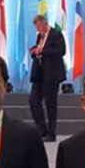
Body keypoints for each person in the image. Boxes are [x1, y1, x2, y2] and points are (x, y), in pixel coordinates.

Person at [28, 14, 66, 142]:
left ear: (45, 24)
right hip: (39, 74)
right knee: (33, 101)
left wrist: (43, 51)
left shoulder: (56, 34)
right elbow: (39, 50)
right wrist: (34, 52)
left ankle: (51, 133)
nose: (38, 30)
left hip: (52, 75)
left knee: (50, 103)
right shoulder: (40, 36)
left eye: (39, 27)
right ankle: (41, 130)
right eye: (36, 28)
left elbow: (61, 51)